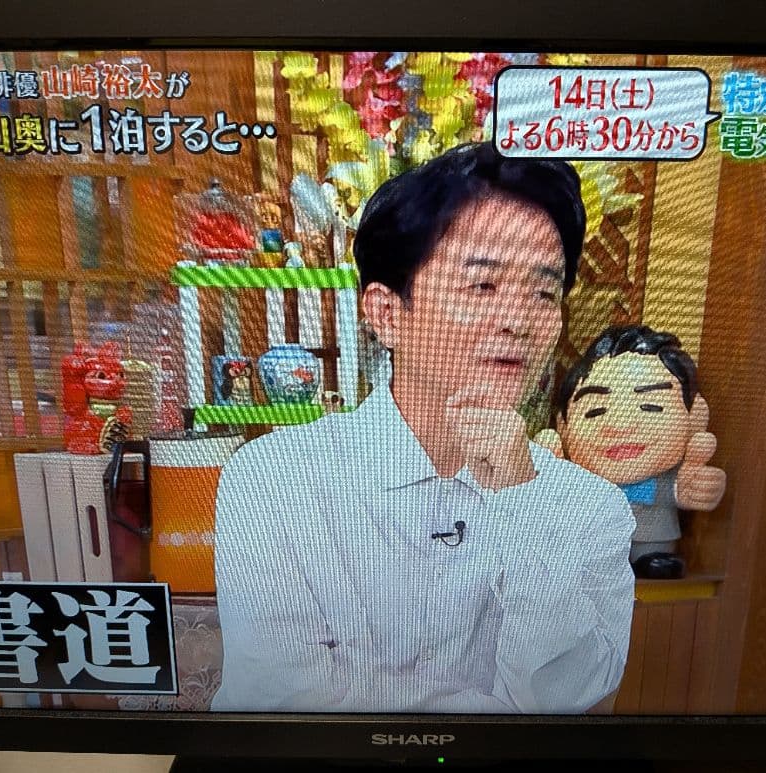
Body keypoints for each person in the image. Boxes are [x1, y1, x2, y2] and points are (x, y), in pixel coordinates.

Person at [211, 142, 635, 714]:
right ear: (387, 314)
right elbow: (288, 706)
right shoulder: (275, 480)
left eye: (543, 293)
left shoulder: (590, 508)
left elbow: (566, 703)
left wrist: (523, 504)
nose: (518, 321)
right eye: (482, 286)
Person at [547, 325, 726, 580]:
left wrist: (690, 488)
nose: (621, 426)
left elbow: (682, 489)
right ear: (563, 426)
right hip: (593, 543)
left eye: (651, 407)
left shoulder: (666, 479)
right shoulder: (582, 480)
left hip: (652, 538)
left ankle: (648, 558)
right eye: (595, 411)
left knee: (655, 564)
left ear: (695, 416)